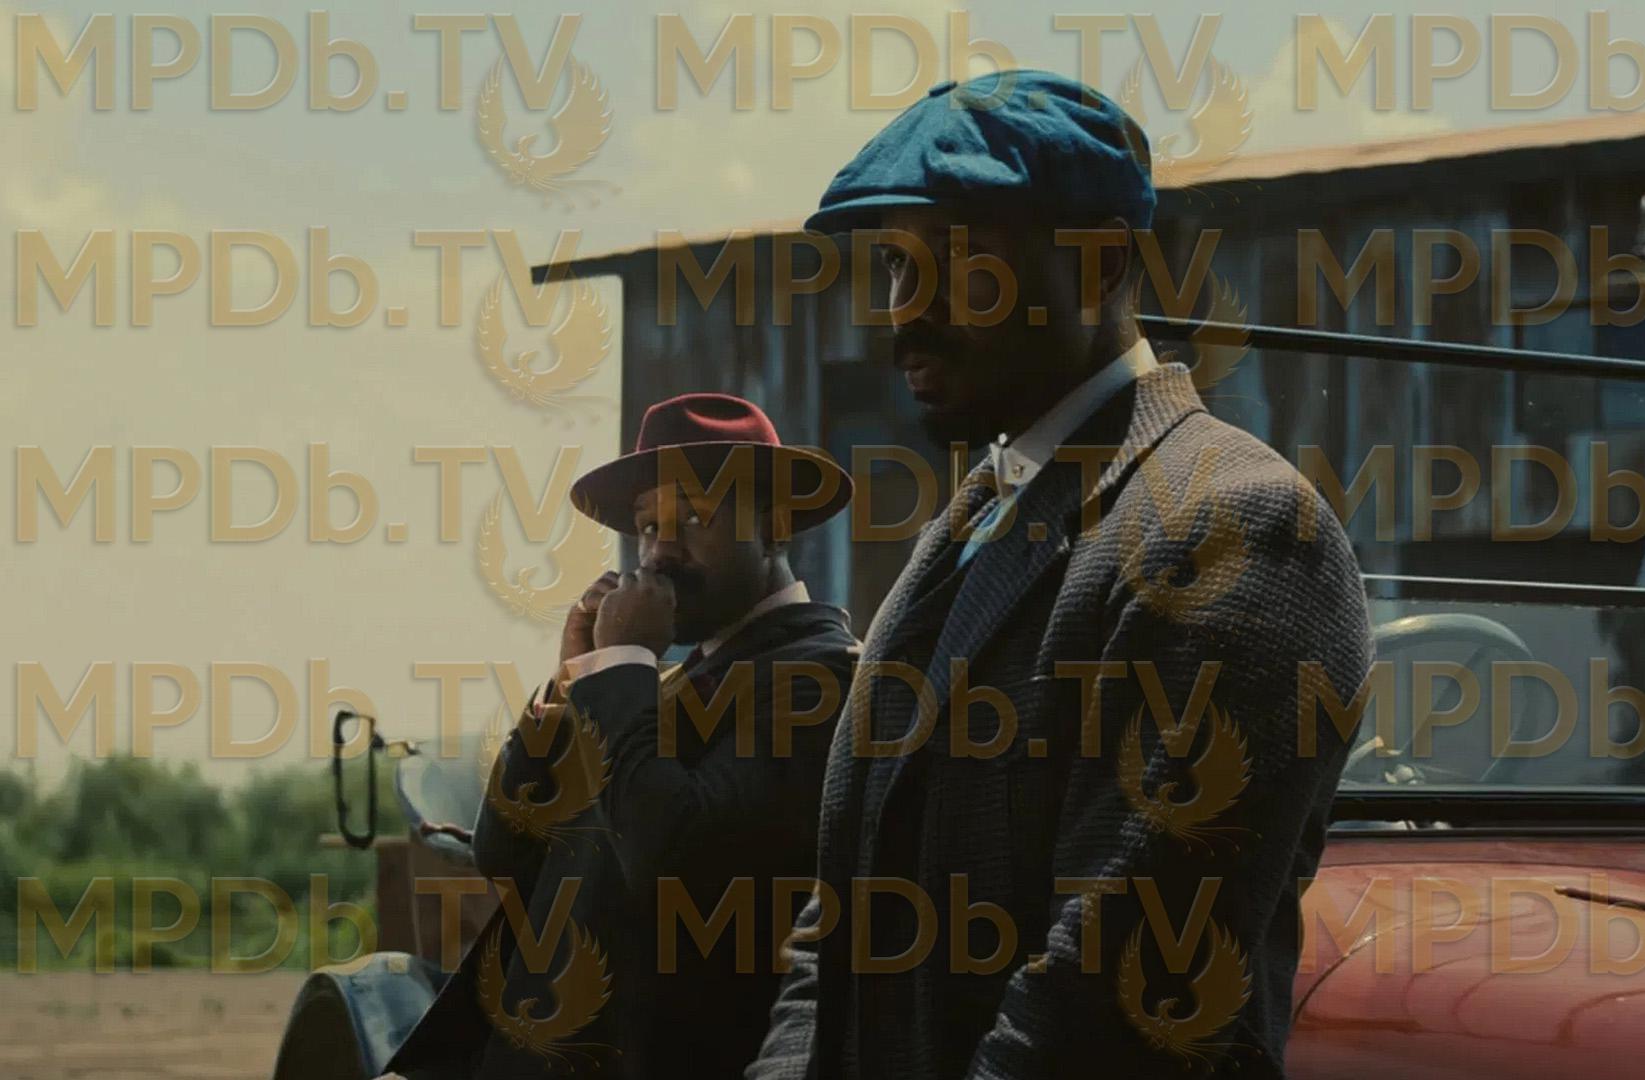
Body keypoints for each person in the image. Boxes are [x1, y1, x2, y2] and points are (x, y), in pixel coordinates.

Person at [749, 70, 1374, 1079]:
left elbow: (1106, 1013)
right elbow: (839, 924)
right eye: (896, 266)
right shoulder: (970, 523)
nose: (905, 313)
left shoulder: (1233, 526)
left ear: (1100, 264)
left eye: (959, 262)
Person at [385, 393, 862, 1079]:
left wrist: (622, 667)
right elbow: (506, 851)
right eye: (647, 525)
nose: (662, 550)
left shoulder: (821, 677)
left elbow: (677, 860)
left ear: (774, 528)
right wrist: (571, 681)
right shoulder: (648, 686)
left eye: (694, 517)